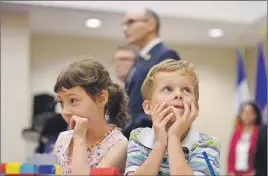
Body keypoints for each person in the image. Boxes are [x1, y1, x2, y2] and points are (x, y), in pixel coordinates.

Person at [125, 59, 221, 176]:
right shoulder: (138, 137)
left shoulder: (208, 144)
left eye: (186, 90)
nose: (179, 94)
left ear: (195, 108)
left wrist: (174, 138)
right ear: (149, 107)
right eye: (168, 89)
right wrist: (160, 143)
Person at [52, 58, 129, 175]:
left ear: (101, 98)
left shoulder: (118, 145)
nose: (65, 111)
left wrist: (79, 138)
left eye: (73, 100)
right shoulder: (63, 139)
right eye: (61, 102)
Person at [122, 8, 180, 138]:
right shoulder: (141, 59)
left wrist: (125, 130)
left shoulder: (165, 56)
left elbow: (165, 105)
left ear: (150, 25)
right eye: (124, 24)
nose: (125, 29)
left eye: (130, 22)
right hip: (133, 137)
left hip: (148, 140)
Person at [227, 102, 262, 175]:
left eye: (250, 112)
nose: (247, 115)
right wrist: (230, 172)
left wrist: (253, 173)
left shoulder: (260, 133)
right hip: (236, 173)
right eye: (244, 112)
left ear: (256, 115)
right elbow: (230, 156)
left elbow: (261, 157)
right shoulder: (236, 133)